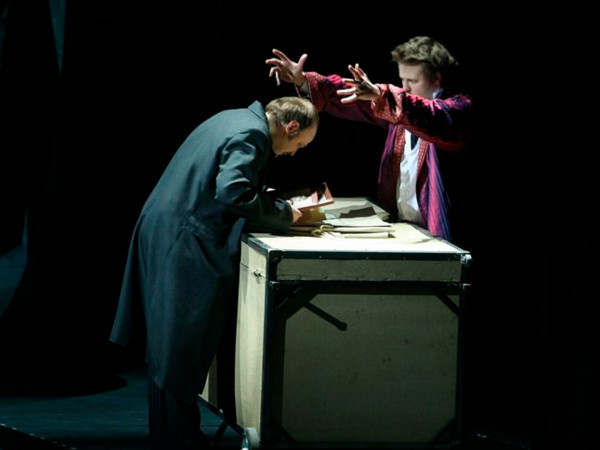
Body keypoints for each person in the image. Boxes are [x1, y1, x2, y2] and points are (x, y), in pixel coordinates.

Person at [109, 96, 319, 450]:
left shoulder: (233, 117)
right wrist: (285, 214)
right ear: (291, 126)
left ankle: (170, 439)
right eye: (298, 145)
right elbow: (233, 191)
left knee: (166, 350)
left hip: (166, 228)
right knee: (178, 352)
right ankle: (181, 442)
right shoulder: (252, 134)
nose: (292, 153)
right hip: (186, 240)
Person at [266, 36, 474, 243]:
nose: (405, 87)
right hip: (405, 228)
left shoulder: (457, 111)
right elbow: (358, 100)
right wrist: (302, 80)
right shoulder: (398, 109)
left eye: (413, 81)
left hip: (441, 236)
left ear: (436, 78)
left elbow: (430, 115)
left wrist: (381, 95)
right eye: (402, 80)